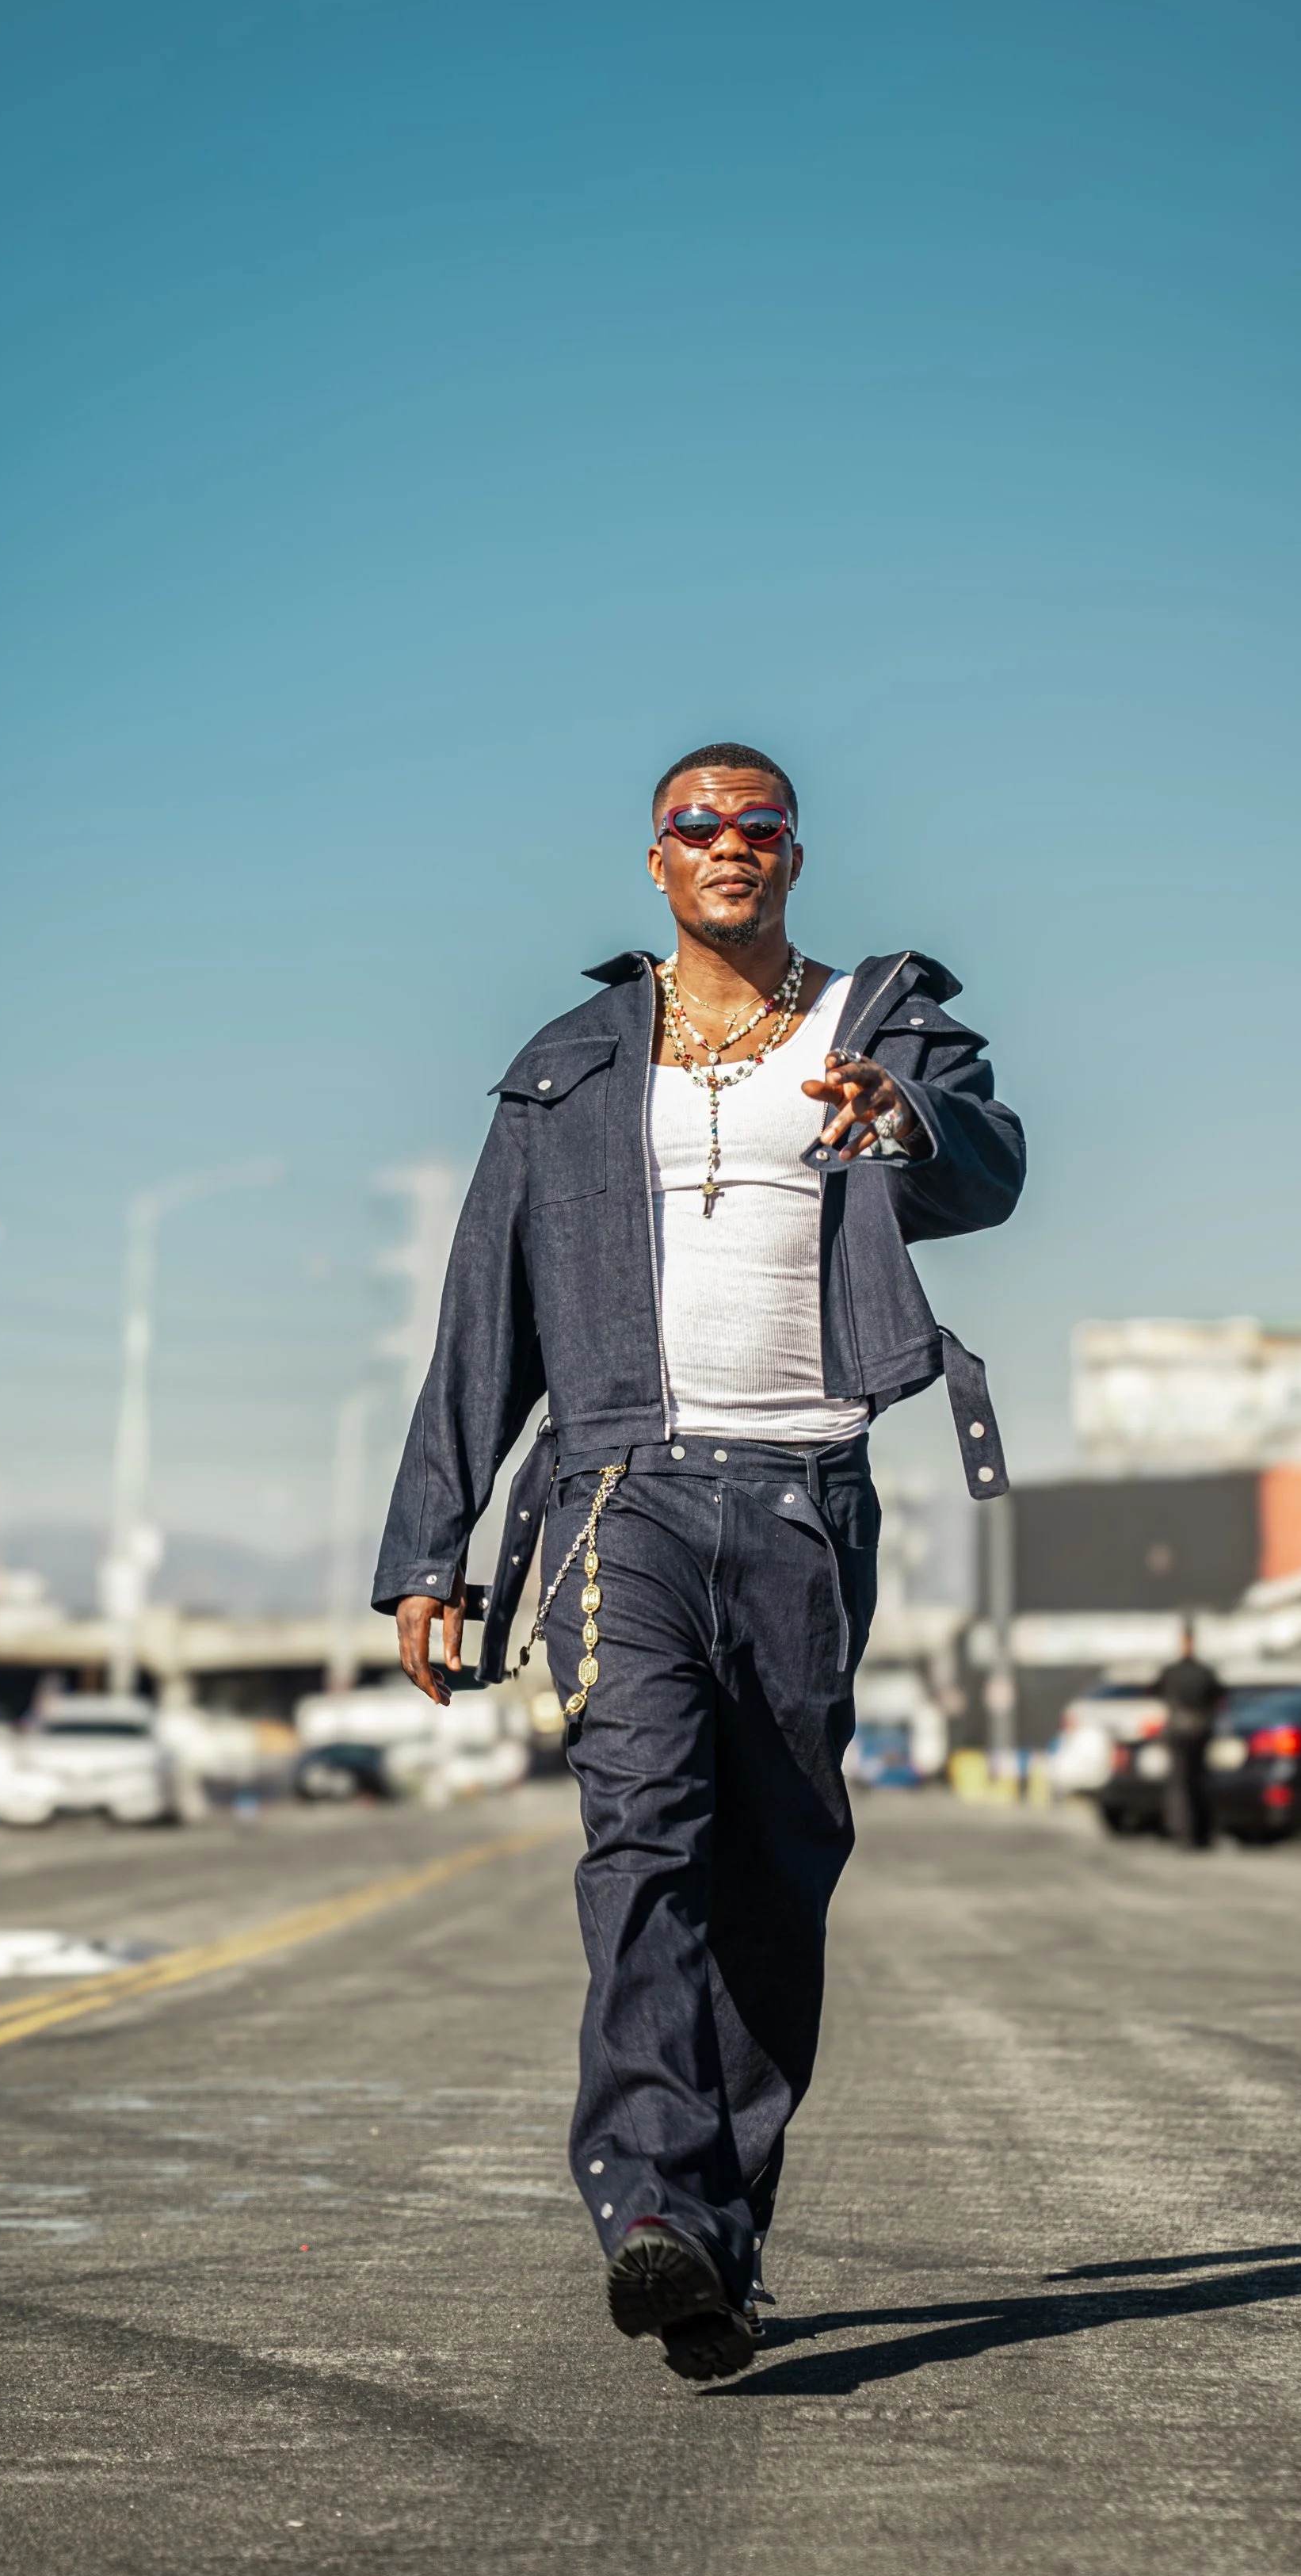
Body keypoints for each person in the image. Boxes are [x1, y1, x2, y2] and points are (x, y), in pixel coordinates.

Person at [375, 742, 1024, 2383]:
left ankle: (716, 2253)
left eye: (758, 825)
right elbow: (483, 1313)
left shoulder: (874, 1021)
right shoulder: (570, 1067)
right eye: (695, 826)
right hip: (619, 1499)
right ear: (653, 864)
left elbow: (994, 1163)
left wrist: (906, 1122)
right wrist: (428, 1550)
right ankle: (650, 2201)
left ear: (792, 856)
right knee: (644, 1833)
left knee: (772, 1879)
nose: (727, 845)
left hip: (807, 1498)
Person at [1152, 1619, 1225, 1849]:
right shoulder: (1205, 1672)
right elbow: (1220, 1698)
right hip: (1200, 1730)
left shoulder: (1171, 1672)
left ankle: (1183, 1832)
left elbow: (1155, 1693)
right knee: (1198, 1782)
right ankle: (1199, 1834)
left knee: (1180, 1785)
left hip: (1179, 1732)